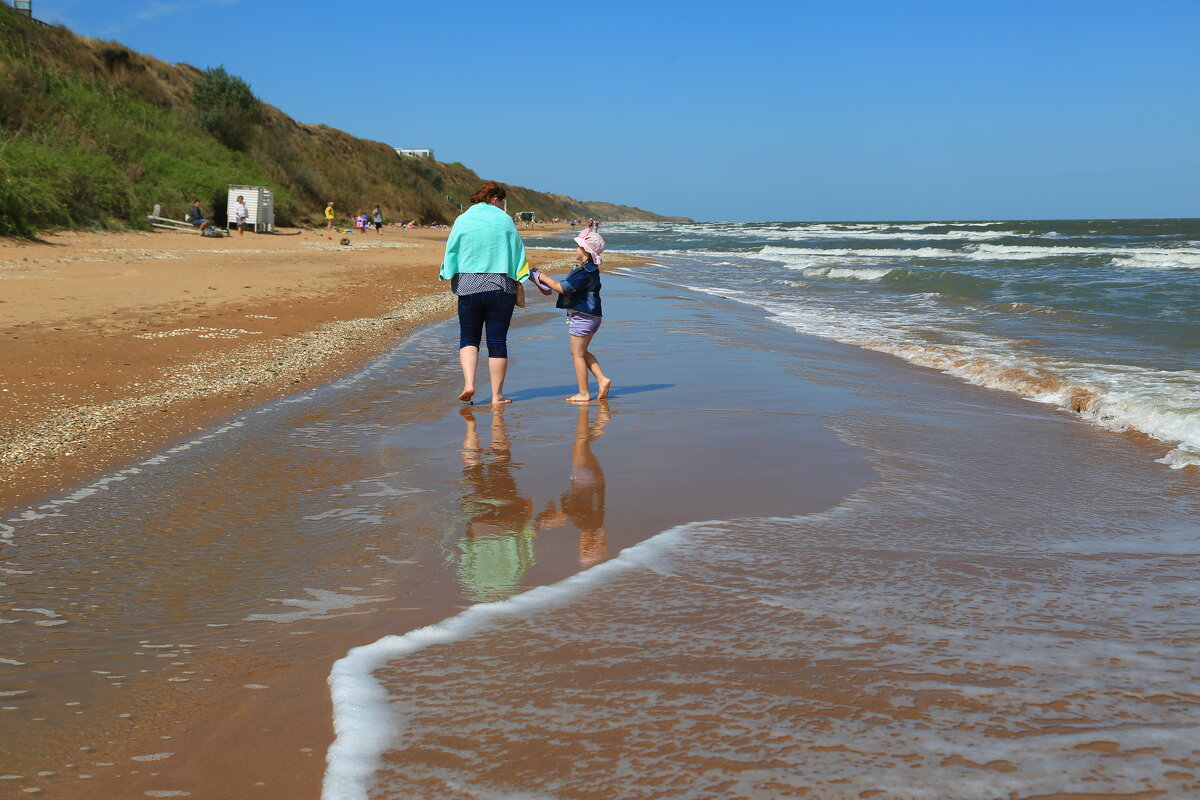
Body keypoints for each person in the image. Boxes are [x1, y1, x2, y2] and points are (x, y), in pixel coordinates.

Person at [439, 181, 531, 406]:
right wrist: (522, 275)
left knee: (469, 338)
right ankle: (497, 396)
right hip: (499, 286)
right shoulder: (504, 219)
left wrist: (446, 272)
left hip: (468, 286)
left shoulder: (463, 219)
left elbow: (452, 249)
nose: (502, 206)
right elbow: (517, 251)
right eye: (502, 202)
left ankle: (469, 384)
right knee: (497, 341)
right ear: (495, 199)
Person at [529, 227, 611, 403]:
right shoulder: (590, 270)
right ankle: (602, 379)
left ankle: (584, 393)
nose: (575, 249)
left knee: (577, 354)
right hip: (594, 316)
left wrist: (541, 276)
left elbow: (562, 288)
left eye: (578, 246)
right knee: (581, 352)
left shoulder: (584, 272)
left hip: (583, 317)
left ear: (586, 251)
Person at [535, 401, 610, 566]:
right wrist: (553, 518)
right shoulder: (587, 524)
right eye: (583, 546)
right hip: (587, 479)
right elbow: (568, 510)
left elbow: (571, 510)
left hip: (593, 480)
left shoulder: (593, 523)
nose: (580, 543)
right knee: (580, 442)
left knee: (582, 445)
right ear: (590, 542)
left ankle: (600, 424)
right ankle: (589, 413)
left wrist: (555, 518)